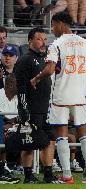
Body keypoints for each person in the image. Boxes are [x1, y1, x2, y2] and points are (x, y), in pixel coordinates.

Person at [30, 12, 86, 184]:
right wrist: (78, 75)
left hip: (61, 94)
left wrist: (36, 78)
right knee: (83, 131)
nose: (52, 29)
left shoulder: (57, 44)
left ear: (60, 23)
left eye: (53, 25)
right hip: (79, 94)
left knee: (62, 133)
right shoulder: (85, 42)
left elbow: (50, 69)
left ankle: (67, 176)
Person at [15, 27, 60, 184]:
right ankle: (28, 176)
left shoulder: (46, 59)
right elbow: (20, 86)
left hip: (46, 109)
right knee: (29, 143)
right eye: (39, 39)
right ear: (30, 41)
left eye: (45, 39)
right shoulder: (24, 60)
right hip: (31, 108)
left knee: (50, 140)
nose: (43, 42)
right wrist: (23, 108)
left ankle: (47, 174)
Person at [0, 75, 21, 184]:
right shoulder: (0, 94)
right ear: (11, 85)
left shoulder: (19, 98)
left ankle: (9, 166)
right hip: (2, 127)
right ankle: (3, 168)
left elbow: (20, 117)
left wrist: (12, 123)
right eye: (19, 84)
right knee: (3, 134)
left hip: (13, 128)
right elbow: (2, 118)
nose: (21, 87)